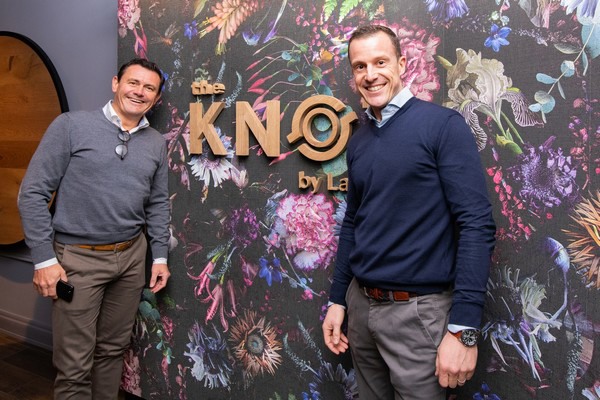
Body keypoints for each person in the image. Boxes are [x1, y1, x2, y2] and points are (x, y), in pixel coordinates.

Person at [322, 25, 496, 399]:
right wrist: (338, 300)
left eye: (380, 62)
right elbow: (353, 222)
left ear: (402, 63)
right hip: (361, 309)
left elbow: (476, 224)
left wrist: (463, 329)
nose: (370, 75)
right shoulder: (359, 140)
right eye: (360, 66)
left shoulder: (442, 126)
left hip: (419, 315)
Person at [17, 58, 171, 400]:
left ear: (156, 98)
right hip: (77, 260)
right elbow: (32, 194)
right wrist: (44, 260)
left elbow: (158, 203)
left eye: (149, 88)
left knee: (112, 351)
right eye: (133, 82)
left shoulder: (155, 143)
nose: (140, 92)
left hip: (131, 258)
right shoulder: (71, 126)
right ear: (116, 83)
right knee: (74, 366)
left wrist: (159, 256)